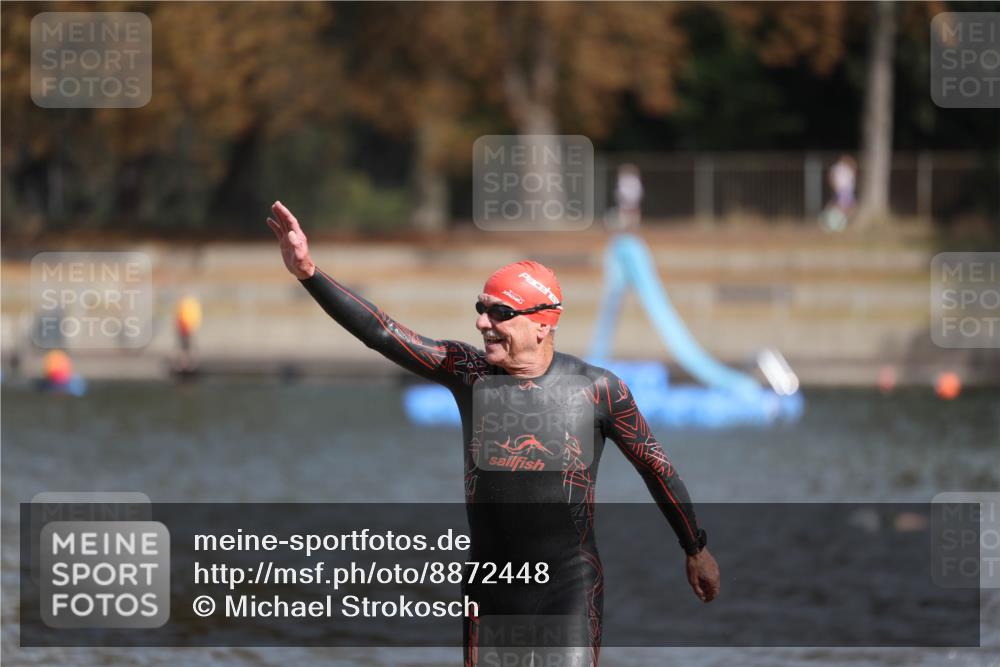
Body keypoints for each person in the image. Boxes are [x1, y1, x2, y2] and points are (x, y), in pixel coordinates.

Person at [266, 201, 720, 667]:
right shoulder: (469, 373)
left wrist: (695, 548)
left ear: (542, 323)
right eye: (481, 309)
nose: (483, 323)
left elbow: (656, 468)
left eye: (500, 313)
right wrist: (308, 272)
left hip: (569, 587)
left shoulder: (598, 390)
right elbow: (382, 332)